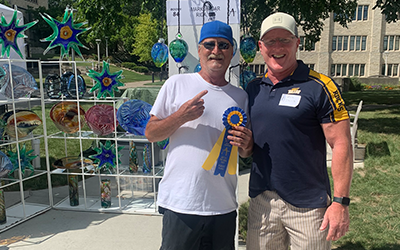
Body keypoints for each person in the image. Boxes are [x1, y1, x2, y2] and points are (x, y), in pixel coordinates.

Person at [245, 12, 353, 249]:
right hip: (262, 202)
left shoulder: (320, 86)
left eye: (284, 39)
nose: (278, 47)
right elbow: (252, 145)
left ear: (297, 43)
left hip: (308, 205)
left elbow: (341, 143)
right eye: (270, 41)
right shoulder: (252, 88)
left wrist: (340, 202)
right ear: (261, 47)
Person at [145, 20, 253, 250]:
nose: (216, 51)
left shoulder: (240, 97)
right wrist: (180, 116)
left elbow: (244, 152)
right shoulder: (176, 84)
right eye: (210, 44)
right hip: (181, 204)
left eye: (223, 45)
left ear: (232, 51)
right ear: (200, 50)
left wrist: (246, 144)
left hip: (222, 207)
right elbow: (151, 133)